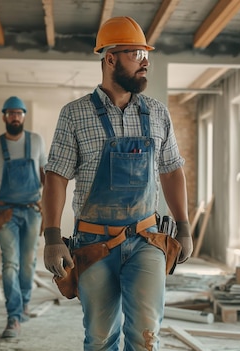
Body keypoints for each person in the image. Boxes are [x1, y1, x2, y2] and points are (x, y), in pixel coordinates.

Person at [41, 16, 193, 351]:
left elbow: (171, 170)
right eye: (136, 54)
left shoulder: (157, 113)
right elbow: (57, 177)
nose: (145, 61)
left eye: (146, 55)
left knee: (145, 337)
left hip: (147, 240)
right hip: (95, 245)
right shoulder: (75, 114)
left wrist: (183, 226)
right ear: (110, 59)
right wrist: (52, 237)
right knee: (100, 337)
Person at [0, 96, 47, 338]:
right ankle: (13, 317)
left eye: (19, 113)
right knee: (10, 264)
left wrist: (49, 206)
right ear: (4, 117)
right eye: (10, 113)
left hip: (32, 210)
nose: (15, 117)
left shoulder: (36, 141)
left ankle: (24, 302)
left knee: (28, 263)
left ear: (24, 116)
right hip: (4, 212)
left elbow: (45, 174)